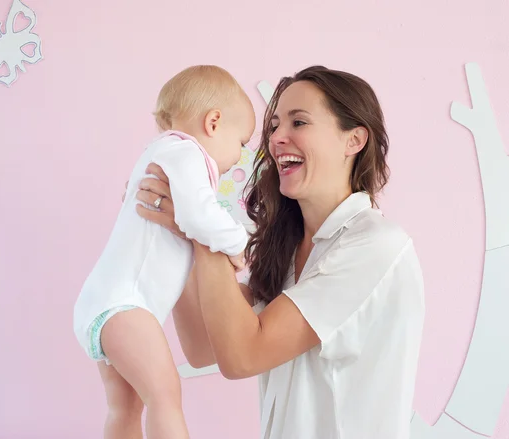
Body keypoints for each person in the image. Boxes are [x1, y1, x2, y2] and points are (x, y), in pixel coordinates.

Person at [134, 65, 426, 439]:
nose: (276, 139)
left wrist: (198, 226)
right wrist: (178, 230)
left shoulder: (375, 245)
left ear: (354, 141)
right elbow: (202, 346)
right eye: (274, 126)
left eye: (299, 123)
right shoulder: (286, 250)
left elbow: (243, 355)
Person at [73, 65, 255, 439]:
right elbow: (199, 214)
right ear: (214, 122)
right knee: (165, 396)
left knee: (126, 406)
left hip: (105, 304)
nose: (240, 156)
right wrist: (238, 244)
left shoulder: (162, 153)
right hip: (125, 306)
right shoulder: (185, 153)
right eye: (241, 142)